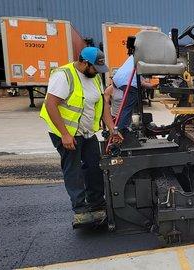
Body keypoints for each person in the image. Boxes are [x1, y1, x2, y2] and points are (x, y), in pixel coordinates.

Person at [40, 47, 116, 228]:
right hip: (65, 133)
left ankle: (96, 203)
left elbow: (103, 104)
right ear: (84, 62)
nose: (98, 72)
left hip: (87, 132)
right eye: (95, 68)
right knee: (74, 169)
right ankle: (81, 210)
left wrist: (112, 128)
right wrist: (65, 134)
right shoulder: (64, 75)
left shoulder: (94, 77)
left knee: (94, 166)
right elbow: (51, 104)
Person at [111, 55, 158, 131]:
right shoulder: (147, 57)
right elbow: (138, 81)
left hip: (118, 79)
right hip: (128, 82)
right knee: (127, 108)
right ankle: (122, 130)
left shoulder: (136, 55)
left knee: (127, 106)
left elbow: (140, 82)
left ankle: (122, 127)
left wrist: (152, 86)